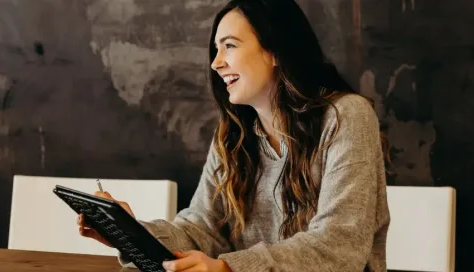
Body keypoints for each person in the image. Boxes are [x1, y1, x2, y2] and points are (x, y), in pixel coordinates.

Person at [77, 0, 390, 271]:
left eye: (229, 45)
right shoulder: (233, 136)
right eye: (216, 50)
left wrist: (229, 267)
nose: (216, 63)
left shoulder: (347, 116)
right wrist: (132, 234)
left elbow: (338, 248)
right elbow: (202, 230)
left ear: (275, 51)